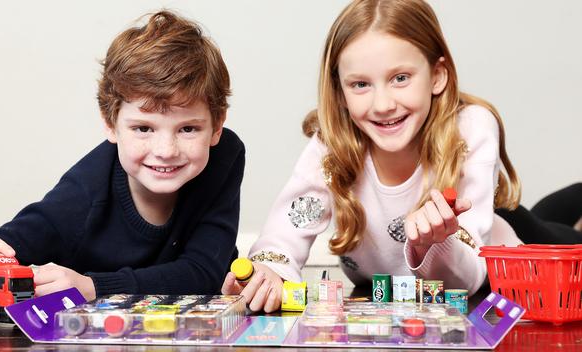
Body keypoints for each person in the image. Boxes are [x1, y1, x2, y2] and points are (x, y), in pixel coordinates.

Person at [223, 0, 579, 313]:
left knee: (557, 235)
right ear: (341, 92)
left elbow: (466, 281)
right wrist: (271, 271)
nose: (382, 105)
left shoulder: (471, 128)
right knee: (547, 216)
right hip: (415, 273)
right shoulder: (332, 146)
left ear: (437, 75)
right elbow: (283, 236)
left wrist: (434, 243)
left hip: (497, 243)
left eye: (401, 78)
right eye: (360, 84)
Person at [0, 11, 245, 301]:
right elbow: (13, 243)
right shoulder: (85, 191)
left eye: (188, 129)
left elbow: (204, 271)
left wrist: (93, 286)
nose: (166, 151)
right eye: (143, 129)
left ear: (217, 126)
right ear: (110, 123)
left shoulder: (224, 156)